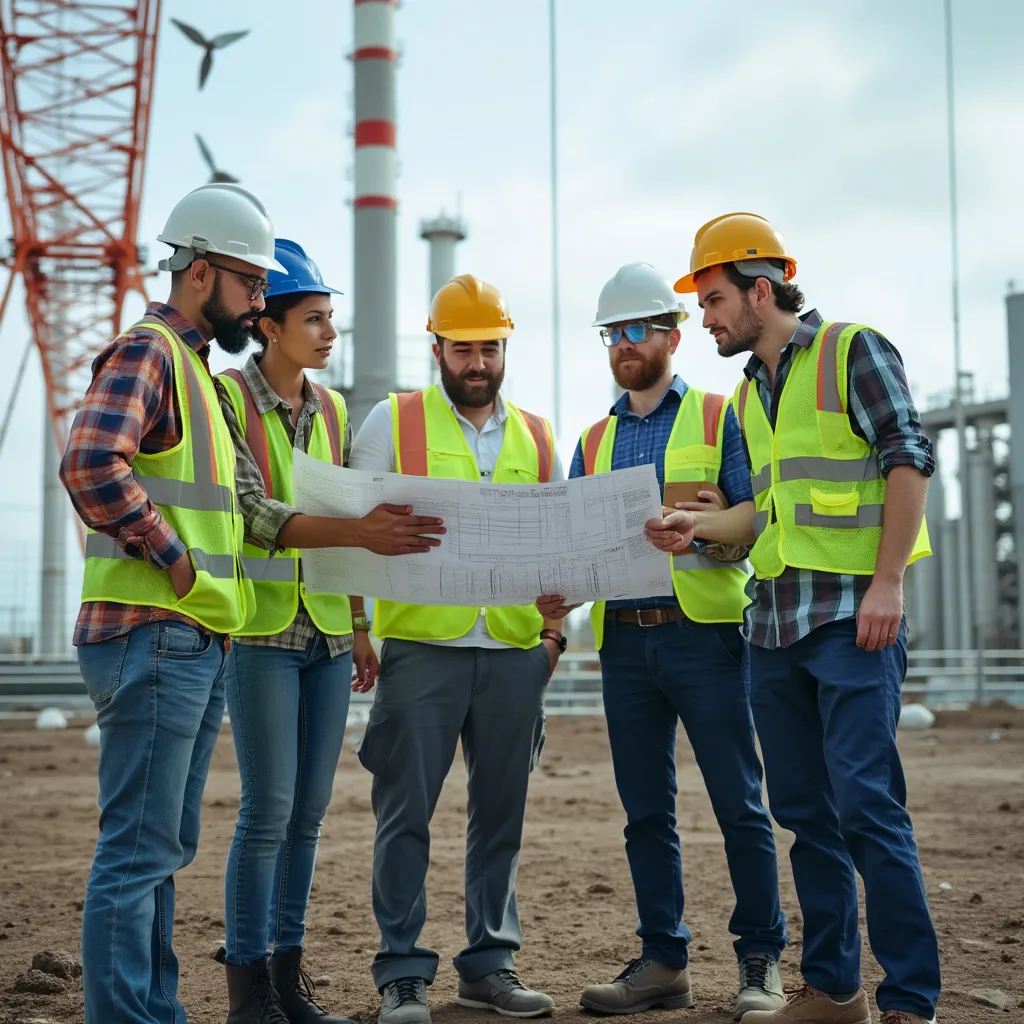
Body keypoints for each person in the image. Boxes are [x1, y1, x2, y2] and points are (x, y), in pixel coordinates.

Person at [646, 213, 940, 1024]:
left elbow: (909, 458)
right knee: (807, 815)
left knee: (867, 808)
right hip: (773, 628)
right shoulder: (750, 393)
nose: (704, 320)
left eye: (712, 302)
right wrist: (697, 527)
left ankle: (911, 1000)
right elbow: (765, 517)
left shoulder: (853, 350)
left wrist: (888, 584)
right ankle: (835, 990)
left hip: (853, 619)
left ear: (760, 289)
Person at [59, 183, 285, 1024]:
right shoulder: (151, 352)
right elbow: (90, 463)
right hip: (155, 632)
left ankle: (154, 1010)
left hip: (191, 641)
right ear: (201, 271)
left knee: (160, 850)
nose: (260, 303)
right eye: (252, 284)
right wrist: (177, 562)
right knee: (137, 854)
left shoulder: (196, 372)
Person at [537, 262, 786, 1021]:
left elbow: (752, 529)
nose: (624, 343)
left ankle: (760, 962)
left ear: (673, 335)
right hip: (625, 645)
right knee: (645, 812)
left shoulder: (719, 417)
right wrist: (552, 593)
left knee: (739, 804)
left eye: (638, 328)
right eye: (613, 333)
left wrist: (706, 533)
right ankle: (663, 961)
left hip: (706, 638)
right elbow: (581, 555)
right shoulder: (592, 439)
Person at [214, 239, 446, 1024]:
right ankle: (249, 992)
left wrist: (358, 626)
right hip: (260, 633)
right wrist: (360, 540)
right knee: (266, 812)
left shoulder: (334, 409)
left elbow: (350, 513)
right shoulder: (228, 400)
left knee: (309, 816)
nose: (328, 333)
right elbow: (253, 514)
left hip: (322, 633)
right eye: (313, 318)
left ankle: (287, 982)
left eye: (332, 319)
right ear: (269, 325)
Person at [349, 274, 564, 1024]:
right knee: (404, 814)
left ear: (505, 348)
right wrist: (358, 626)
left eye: (491, 348)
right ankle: (402, 972)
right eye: (465, 348)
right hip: (422, 650)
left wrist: (552, 640)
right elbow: (350, 524)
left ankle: (489, 965)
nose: (478, 363)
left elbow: (557, 549)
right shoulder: (392, 422)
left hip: (511, 655)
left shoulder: (537, 436)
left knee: (500, 815)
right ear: (436, 347)